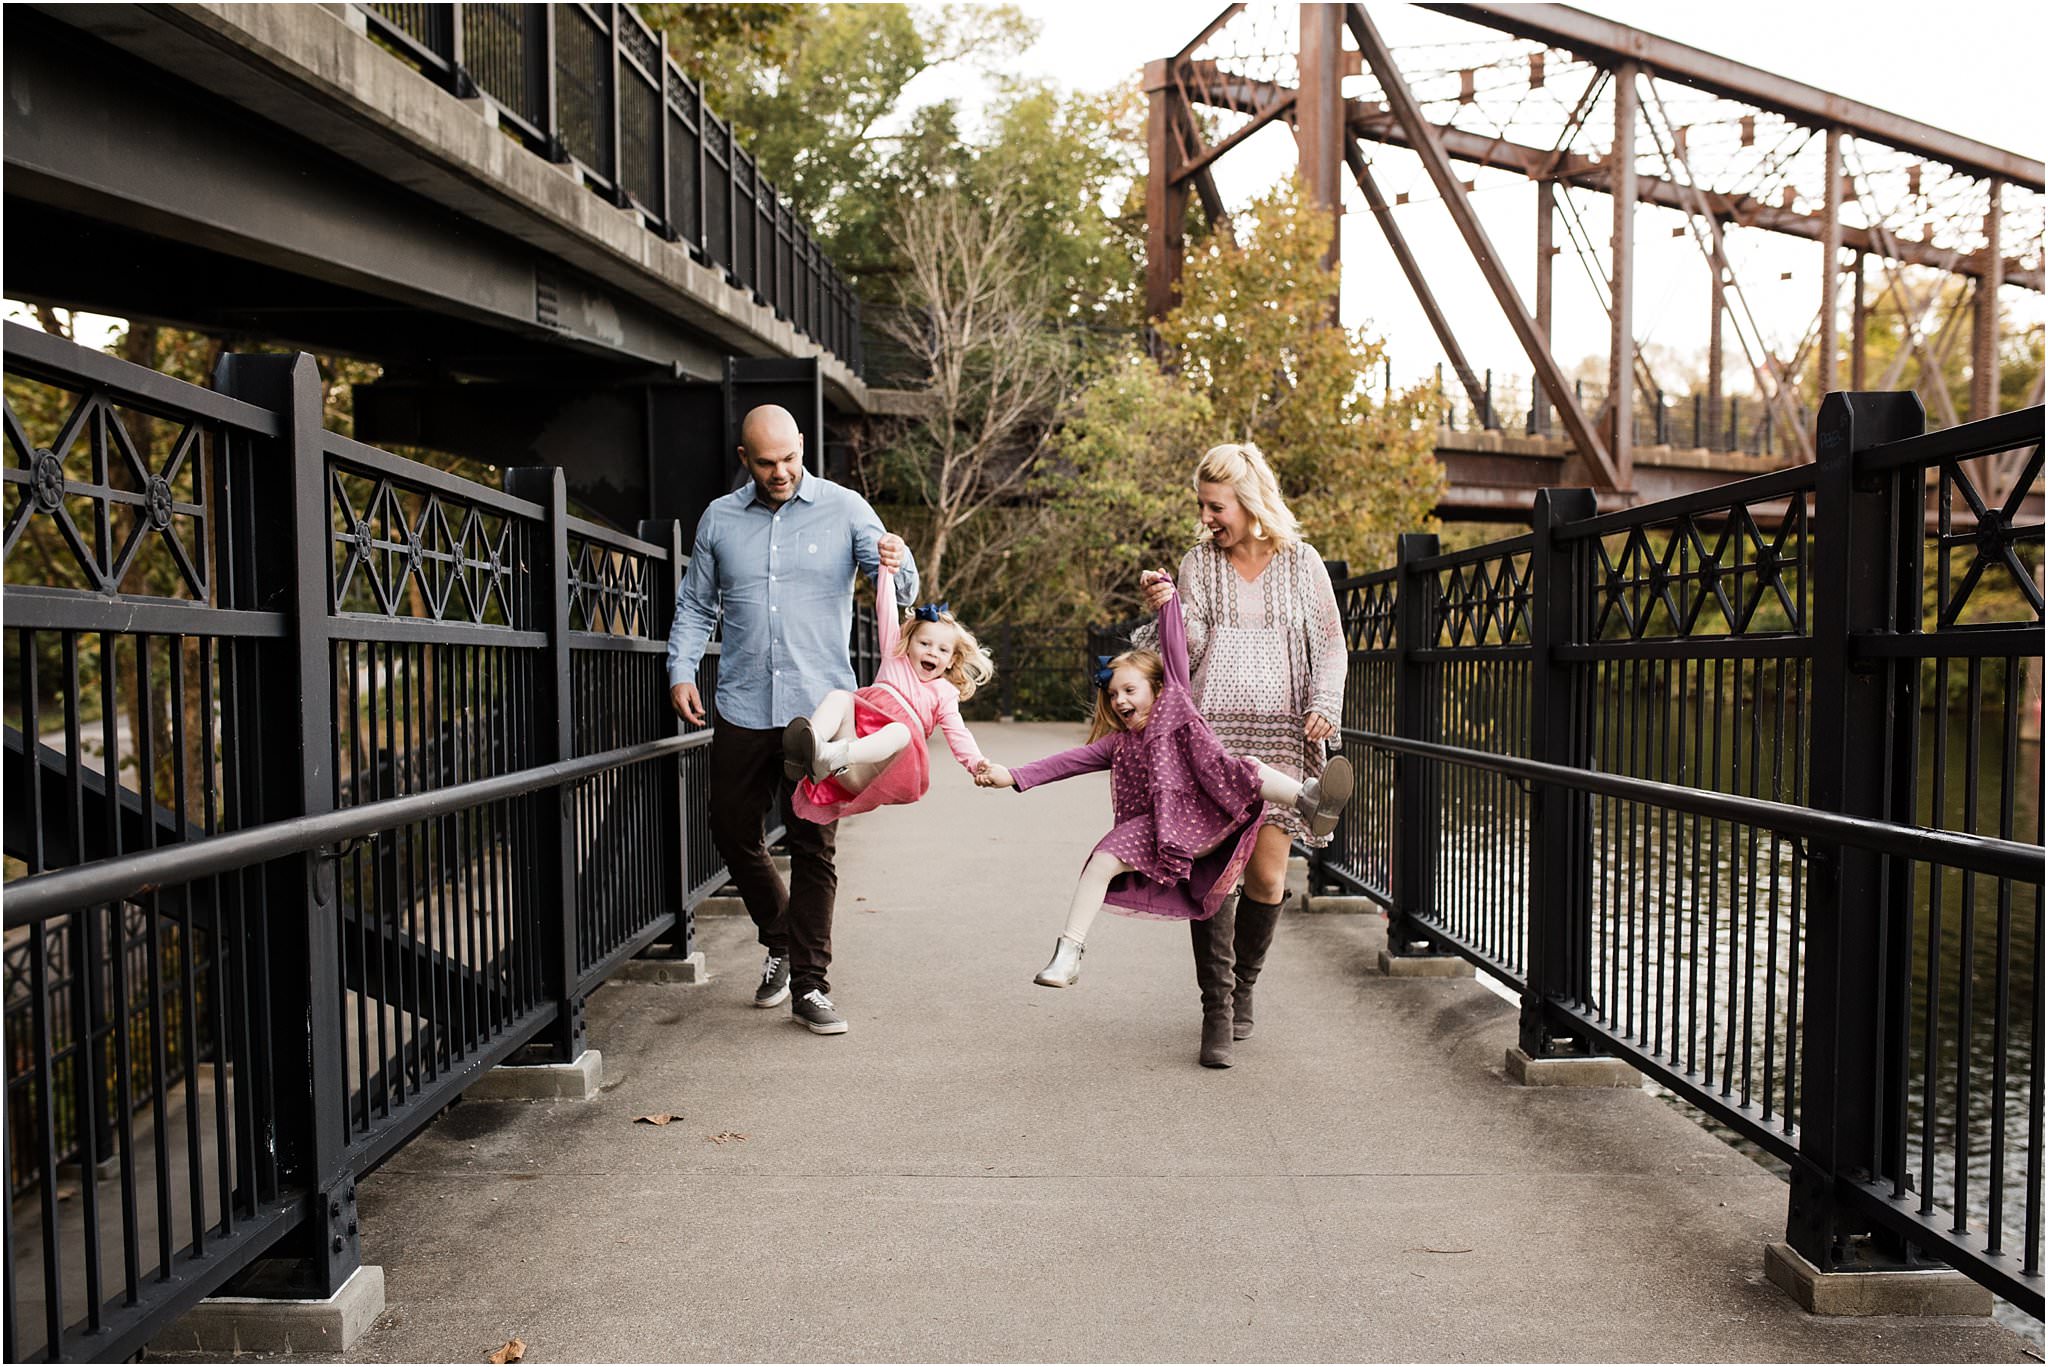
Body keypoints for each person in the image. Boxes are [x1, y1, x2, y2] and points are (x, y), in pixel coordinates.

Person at [975, 572, 1352, 1068]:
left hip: (1205, 809)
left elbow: (1175, 649)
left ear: (1157, 688)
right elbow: (1067, 761)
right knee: (1101, 859)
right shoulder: (1119, 743)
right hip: (1157, 826)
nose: (1119, 702)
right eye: (1112, 696)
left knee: (1250, 769)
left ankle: (1308, 802)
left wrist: (1170, 604)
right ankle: (1069, 951)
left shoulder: (1177, 703)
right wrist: (1011, 774)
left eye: (1129, 690)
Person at [666, 404, 917, 1036]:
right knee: (729, 828)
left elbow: (898, 590)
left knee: (812, 846)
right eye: (767, 462)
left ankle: (810, 984)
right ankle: (781, 938)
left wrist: (899, 558)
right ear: (744, 459)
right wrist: (680, 670)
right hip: (743, 702)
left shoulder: (846, 507)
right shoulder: (719, 519)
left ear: (801, 446)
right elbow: (696, 604)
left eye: (789, 458)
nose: (781, 472)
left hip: (820, 710)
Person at [1136, 442, 1348, 1063]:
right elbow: (1186, 651)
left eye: (1215, 507)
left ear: (1249, 501)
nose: (1206, 519)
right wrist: (1167, 610)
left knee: (1266, 877)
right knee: (1213, 878)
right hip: (1213, 740)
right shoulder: (1198, 564)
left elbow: (1332, 646)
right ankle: (1216, 1009)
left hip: (1283, 738)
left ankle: (1245, 983)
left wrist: (1325, 704)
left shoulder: (1303, 563)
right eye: (1202, 507)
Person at [782, 576, 993, 822]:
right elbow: (885, 609)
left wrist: (975, 762)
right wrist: (886, 569)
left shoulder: (944, 694)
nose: (932, 652)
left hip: (871, 771)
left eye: (942, 650)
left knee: (901, 731)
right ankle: (809, 748)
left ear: (952, 660)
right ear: (908, 642)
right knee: (840, 697)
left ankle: (828, 753)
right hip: (844, 757)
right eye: (924, 643)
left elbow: (959, 733)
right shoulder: (895, 659)